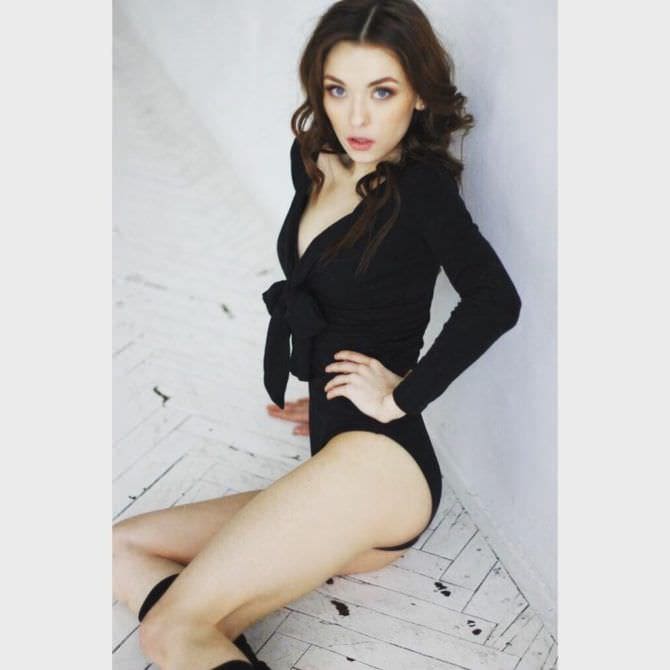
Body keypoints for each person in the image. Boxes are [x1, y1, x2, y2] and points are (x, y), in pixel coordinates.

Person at [112, 1, 522, 668]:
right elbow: (334, 292)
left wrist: (401, 394)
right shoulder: (315, 159)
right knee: (119, 549)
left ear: (418, 94)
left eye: (381, 92)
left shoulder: (420, 190)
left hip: (384, 466)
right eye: (338, 90)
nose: (356, 118)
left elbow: (495, 300)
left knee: (169, 631)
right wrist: (327, 390)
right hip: (336, 450)